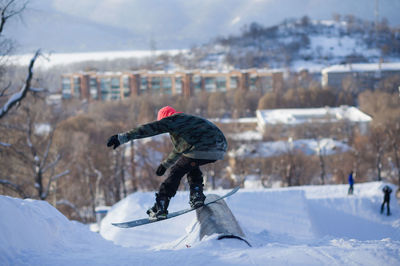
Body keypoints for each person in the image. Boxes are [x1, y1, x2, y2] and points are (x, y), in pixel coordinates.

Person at [106, 106, 227, 220]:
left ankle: (161, 206)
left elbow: (148, 129)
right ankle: (197, 195)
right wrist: (165, 165)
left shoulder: (172, 120)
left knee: (176, 171)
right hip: (219, 147)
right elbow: (181, 150)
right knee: (190, 165)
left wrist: (122, 138)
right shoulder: (187, 123)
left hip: (202, 147)